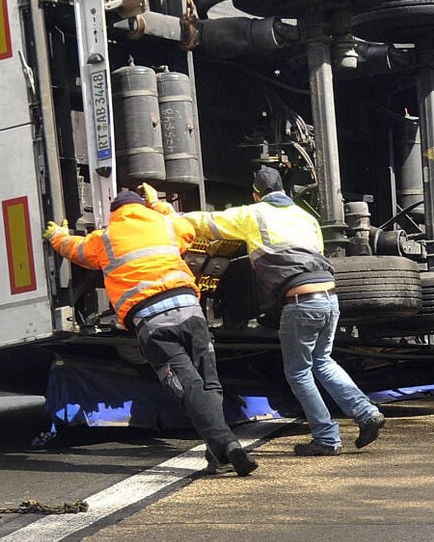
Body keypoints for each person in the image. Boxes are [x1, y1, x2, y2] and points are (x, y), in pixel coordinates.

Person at [43, 189, 258, 476]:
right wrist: (158, 203)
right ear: (142, 207)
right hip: (190, 311)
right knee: (209, 383)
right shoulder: (165, 224)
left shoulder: (105, 237)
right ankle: (218, 452)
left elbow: (75, 250)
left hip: (154, 322)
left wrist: (57, 234)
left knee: (189, 387)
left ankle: (227, 444)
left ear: (114, 213)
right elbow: (187, 229)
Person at [178, 167, 386, 456]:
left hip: (301, 302)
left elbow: (206, 222)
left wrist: (167, 217)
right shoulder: (307, 217)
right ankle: (367, 414)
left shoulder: (254, 214)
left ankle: (326, 437)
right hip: (330, 297)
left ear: (255, 193)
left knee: (299, 372)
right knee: (322, 361)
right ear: (285, 191)